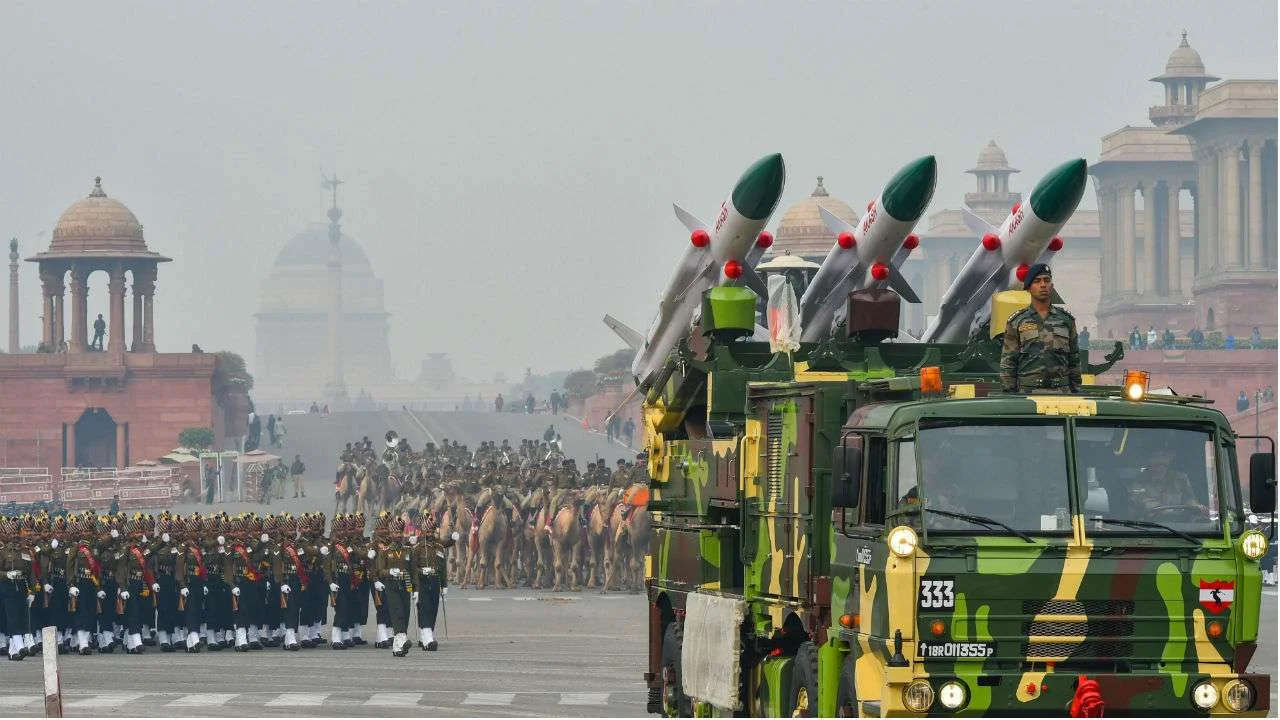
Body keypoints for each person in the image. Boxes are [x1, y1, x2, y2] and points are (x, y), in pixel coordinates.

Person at [999, 264, 1080, 393]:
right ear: (1028, 288)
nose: (1043, 285)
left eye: (1047, 280)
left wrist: (1076, 392)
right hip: (1027, 393)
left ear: (1052, 286)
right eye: (1037, 281)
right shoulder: (1017, 321)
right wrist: (1010, 395)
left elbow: (1074, 361)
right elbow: (1008, 362)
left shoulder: (1066, 320)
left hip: (1062, 393)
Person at [1128, 445, 1202, 518]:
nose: (1160, 461)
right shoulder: (1138, 482)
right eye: (1155, 457)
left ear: (1169, 458)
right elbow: (1146, 505)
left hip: (1181, 527)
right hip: (1147, 526)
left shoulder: (1181, 478)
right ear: (1147, 460)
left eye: (1164, 456)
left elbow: (1189, 498)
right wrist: (1175, 513)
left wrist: (1196, 506)